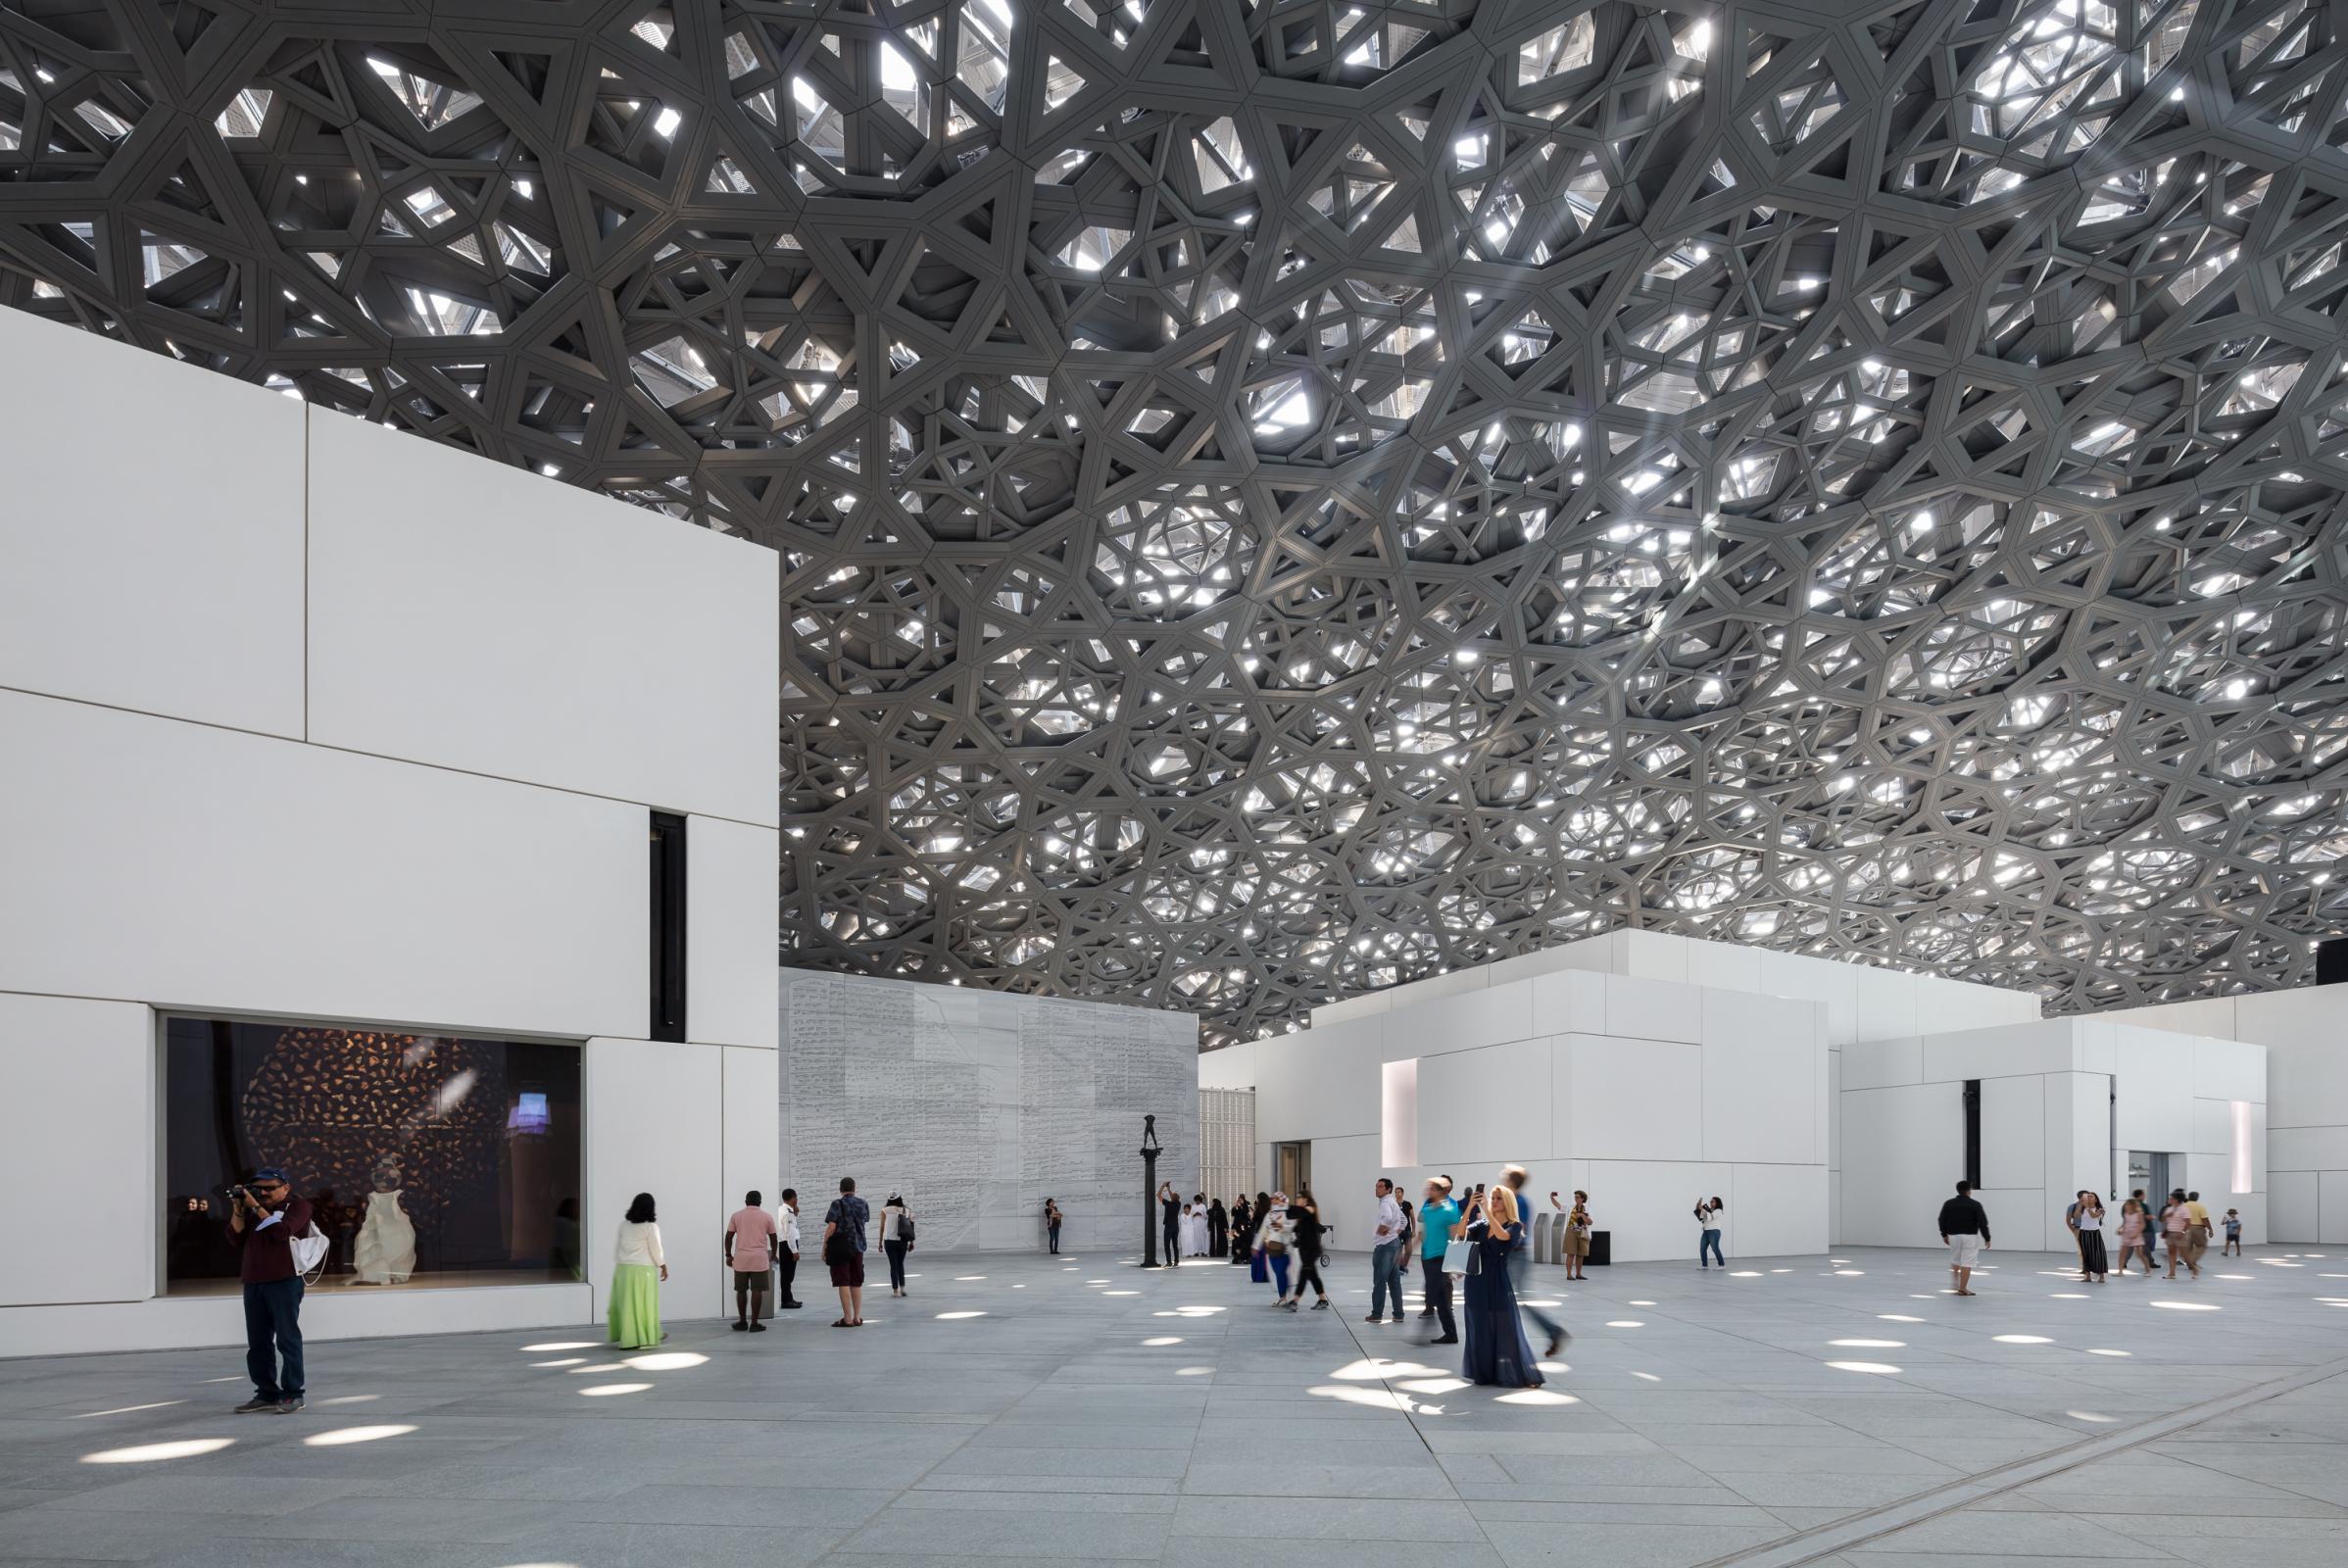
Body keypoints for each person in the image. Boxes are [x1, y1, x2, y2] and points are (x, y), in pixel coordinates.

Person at [227, 1167, 313, 1413]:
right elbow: (233, 1238)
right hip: (253, 1282)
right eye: (258, 1189)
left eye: (269, 1188)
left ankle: (294, 1393)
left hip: (285, 1281)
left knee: (288, 1339)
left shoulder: (298, 1207)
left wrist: (256, 1206)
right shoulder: (251, 1210)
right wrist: (238, 1208)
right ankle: (265, 1393)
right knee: (258, 1342)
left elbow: (282, 1232)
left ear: (285, 1188)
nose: (263, 1192)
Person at [1459, 1177, 1543, 1388]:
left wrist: (1486, 1211)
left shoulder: (1515, 1226)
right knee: (1479, 1328)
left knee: (1506, 1330)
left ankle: (1522, 1374)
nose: (1494, 1201)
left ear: (1507, 1202)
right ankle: (1484, 1373)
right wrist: (1470, 1207)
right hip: (1475, 1282)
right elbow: (1460, 1234)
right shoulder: (1481, 1224)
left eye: (1498, 1198)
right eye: (1492, 1198)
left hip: (1497, 1282)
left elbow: (1503, 1238)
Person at [1502, 1166, 1567, 1354]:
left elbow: (1517, 1230)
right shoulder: (1515, 1200)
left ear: (1511, 1182)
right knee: (1510, 1298)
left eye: (1505, 1179)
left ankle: (1552, 1331)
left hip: (1516, 1255)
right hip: (1513, 1255)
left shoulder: (1518, 1201)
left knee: (1516, 1298)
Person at [609, 1192, 666, 1349]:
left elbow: (618, 1247)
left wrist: (621, 1263)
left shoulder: (623, 1225)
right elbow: (656, 1249)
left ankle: (631, 1335)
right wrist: (662, 1265)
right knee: (644, 1304)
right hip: (642, 1270)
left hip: (622, 1269)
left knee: (626, 1305)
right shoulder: (650, 1227)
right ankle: (640, 1337)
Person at [724, 1190, 779, 1332]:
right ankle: (754, 1323)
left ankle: (742, 1321)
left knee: (741, 1290)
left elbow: (729, 1237)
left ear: (746, 1202)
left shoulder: (736, 1216)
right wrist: (773, 1254)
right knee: (757, 1290)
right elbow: (773, 1238)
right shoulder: (767, 1217)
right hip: (759, 1259)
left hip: (741, 1259)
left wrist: (728, 1255)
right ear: (760, 1202)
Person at [1417, 1178, 1460, 1345]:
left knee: (1432, 1293)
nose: (1428, 1191)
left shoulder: (1450, 1211)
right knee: (1441, 1299)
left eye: (1432, 1189)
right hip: (1427, 1257)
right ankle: (1451, 1334)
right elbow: (1423, 1234)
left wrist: (1456, 1266)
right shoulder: (1427, 1210)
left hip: (1441, 1258)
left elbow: (1455, 1237)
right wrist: (1407, 1251)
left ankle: (1424, 1332)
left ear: (1441, 1191)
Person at [824, 1177, 870, 1326]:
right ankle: (857, 1318)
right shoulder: (863, 1203)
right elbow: (865, 1220)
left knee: (843, 1281)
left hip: (841, 1248)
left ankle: (847, 1319)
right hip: (859, 1247)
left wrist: (824, 1247)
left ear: (840, 1189)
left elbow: (831, 1227)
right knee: (856, 1282)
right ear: (854, 1188)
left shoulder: (837, 1203)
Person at [1937, 1180, 1990, 1296]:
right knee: (1967, 1262)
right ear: (1969, 1191)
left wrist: (1944, 1234)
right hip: (1970, 1237)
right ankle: (1963, 1288)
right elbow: (1982, 1222)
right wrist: (1987, 1237)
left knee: (1955, 1259)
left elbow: (1941, 1219)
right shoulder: (1975, 1204)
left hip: (1954, 1236)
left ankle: (1955, 1284)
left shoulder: (1949, 1203)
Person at [1280, 1187, 1330, 1309]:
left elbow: (1296, 1211)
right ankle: (1323, 1300)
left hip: (1311, 1249)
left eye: (1298, 1197)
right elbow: (1294, 1222)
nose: (1296, 1199)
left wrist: (1285, 1205)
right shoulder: (1301, 1213)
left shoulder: (1310, 1209)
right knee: (1312, 1275)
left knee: (1304, 1273)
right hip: (1305, 1249)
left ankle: (1295, 1301)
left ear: (1305, 1199)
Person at [1367, 1177, 1404, 1323]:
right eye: (1376, 1186)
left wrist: (1385, 1228)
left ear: (1388, 1189)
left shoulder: (1385, 1203)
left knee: (1380, 1281)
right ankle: (1398, 1314)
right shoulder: (1393, 1202)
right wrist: (1396, 1231)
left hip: (1385, 1247)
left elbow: (1388, 1218)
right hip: (1394, 1244)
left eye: (1381, 1186)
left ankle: (1376, 1314)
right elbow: (1403, 1220)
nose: (1377, 1188)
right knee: (1394, 1282)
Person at [1256, 1191, 1293, 1301]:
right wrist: (1256, 1246)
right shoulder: (1270, 1214)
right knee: (1277, 1272)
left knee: (1281, 1272)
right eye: (1273, 1198)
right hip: (1272, 1248)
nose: (1273, 1200)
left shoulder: (1289, 1213)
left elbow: (1294, 1227)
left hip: (1285, 1248)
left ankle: (1286, 1297)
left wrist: (1282, 1227)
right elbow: (1263, 1230)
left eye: (1276, 1198)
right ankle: (1283, 1296)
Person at [880, 1192, 912, 1298]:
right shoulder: (907, 1210)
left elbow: (882, 1228)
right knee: (900, 1264)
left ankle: (895, 1291)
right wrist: (911, 1242)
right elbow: (910, 1228)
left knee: (893, 1265)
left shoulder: (885, 1210)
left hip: (889, 1241)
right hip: (902, 1240)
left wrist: (880, 1243)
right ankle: (902, 1289)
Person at [777, 1188, 804, 1308]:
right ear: (793, 1198)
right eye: (796, 1197)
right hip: (788, 1245)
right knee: (788, 1275)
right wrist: (795, 1251)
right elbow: (790, 1234)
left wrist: (795, 1213)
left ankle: (788, 1298)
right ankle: (786, 1300)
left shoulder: (781, 1209)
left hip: (782, 1244)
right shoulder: (788, 1213)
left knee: (785, 1274)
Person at [2074, 1191, 2108, 1284]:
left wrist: (2087, 1207)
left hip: (2095, 1233)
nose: (2088, 1198)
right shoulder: (2083, 1208)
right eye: (2087, 1196)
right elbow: (2076, 1216)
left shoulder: (2100, 1209)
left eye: (2091, 1196)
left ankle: (2101, 1276)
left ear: (2096, 1200)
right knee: (2085, 1254)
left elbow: (2094, 1216)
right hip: (2084, 1233)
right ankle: (2087, 1276)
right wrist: (2080, 1204)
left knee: (2098, 1254)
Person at [2115, 1196, 2151, 1276]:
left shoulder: (2139, 1214)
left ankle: (2148, 1270)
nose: (2125, 1205)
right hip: (2126, 1235)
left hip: (2136, 1235)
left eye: (2127, 1204)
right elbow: (2125, 1223)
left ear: (2132, 1205)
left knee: (2140, 1254)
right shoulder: (2126, 1213)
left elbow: (2142, 1224)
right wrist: (2120, 1229)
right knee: (2122, 1253)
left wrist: (2136, 1233)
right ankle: (2120, 1271)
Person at [1564, 1191, 1592, 1281]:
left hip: (1582, 1232)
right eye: (1575, 1197)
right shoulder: (1570, 1207)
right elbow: (1558, 1206)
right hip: (1571, 1231)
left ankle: (1578, 1274)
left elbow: (1590, 1222)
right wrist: (1552, 1198)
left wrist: (1582, 1216)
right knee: (1570, 1253)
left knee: (1580, 1254)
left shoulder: (1587, 1209)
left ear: (1582, 1198)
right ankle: (1569, 1274)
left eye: (1577, 1197)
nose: (1575, 1198)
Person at [2130, 1188, 2159, 1270]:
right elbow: (2143, 1216)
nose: (2145, 1196)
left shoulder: (2130, 1205)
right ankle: (2150, 1263)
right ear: (2140, 1195)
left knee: (2140, 1248)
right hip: (2146, 1230)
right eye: (2144, 1194)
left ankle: (2123, 1263)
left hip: (2137, 1229)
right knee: (2145, 1248)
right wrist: (2150, 1217)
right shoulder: (2142, 1205)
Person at [1696, 1196, 1726, 1269]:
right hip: (1706, 1231)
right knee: (1702, 1248)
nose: (1710, 1202)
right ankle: (1704, 1265)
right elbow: (1701, 1217)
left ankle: (1721, 1265)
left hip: (1714, 1231)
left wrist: (1702, 1209)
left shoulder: (1719, 1211)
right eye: (1710, 1201)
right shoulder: (1709, 1210)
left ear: (1717, 1203)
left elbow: (1711, 1217)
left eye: (1712, 1201)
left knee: (1715, 1248)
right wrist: (1698, 1207)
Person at [1230, 1194, 1255, 1265]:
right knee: (1236, 1239)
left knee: (1244, 1239)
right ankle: (1236, 1253)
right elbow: (1233, 1213)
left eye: (1241, 1199)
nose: (1240, 1200)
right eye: (1239, 1199)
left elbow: (1247, 1213)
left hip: (1244, 1225)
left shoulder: (1247, 1204)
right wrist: (1235, 1206)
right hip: (1237, 1224)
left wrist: (1242, 1206)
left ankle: (1244, 1254)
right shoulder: (1237, 1205)